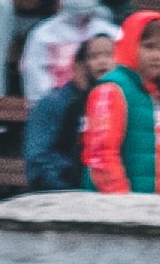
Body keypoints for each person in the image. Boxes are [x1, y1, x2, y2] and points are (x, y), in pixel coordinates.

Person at [78, 8, 160, 194]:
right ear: (130, 44)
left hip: (156, 210)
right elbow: (101, 157)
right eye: (149, 46)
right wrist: (124, 208)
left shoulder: (153, 94)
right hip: (122, 213)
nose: (157, 55)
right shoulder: (111, 89)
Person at [19, 26, 111, 190]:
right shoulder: (53, 103)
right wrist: (69, 188)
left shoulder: (120, 102)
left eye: (110, 56)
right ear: (79, 65)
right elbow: (38, 160)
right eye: (94, 56)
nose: (103, 62)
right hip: (62, 194)